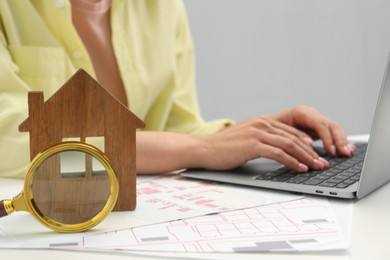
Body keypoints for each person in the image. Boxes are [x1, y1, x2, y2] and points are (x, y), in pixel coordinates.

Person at [0, 0, 355, 179]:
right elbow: (11, 144)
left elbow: (175, 129)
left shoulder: (161, 6)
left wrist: (259, 135)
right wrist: (199, 148)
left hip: (132, 225)